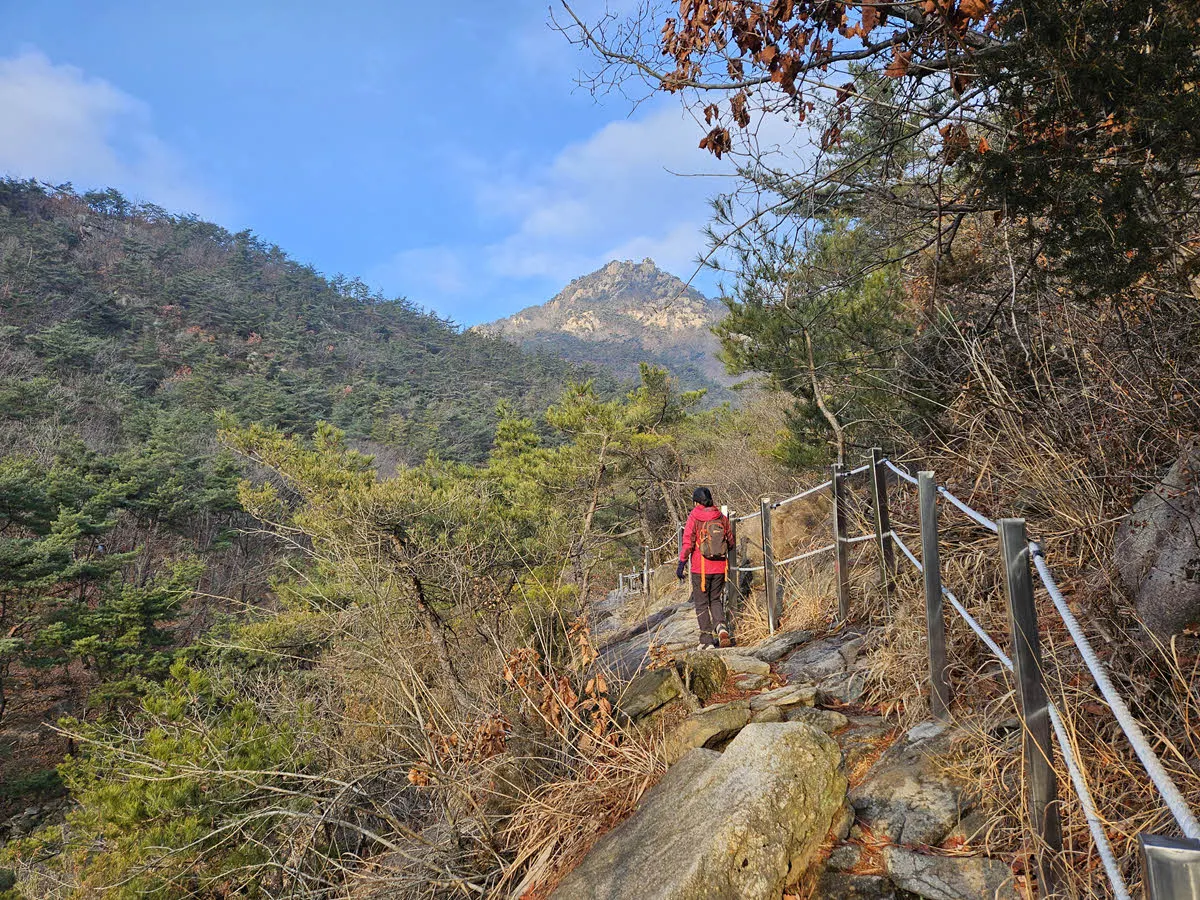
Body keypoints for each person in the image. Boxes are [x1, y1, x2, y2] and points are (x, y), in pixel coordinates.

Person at [677, 486, 733, 648]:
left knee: (701, 604)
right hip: (720, 568)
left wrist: (681, 563)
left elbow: (687, 543)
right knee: (715, 599)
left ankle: (707, 640)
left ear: (696, 502)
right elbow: (730, 541)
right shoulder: (721, 517)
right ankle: (721, 627)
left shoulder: (694, 517)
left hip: (700, 569)